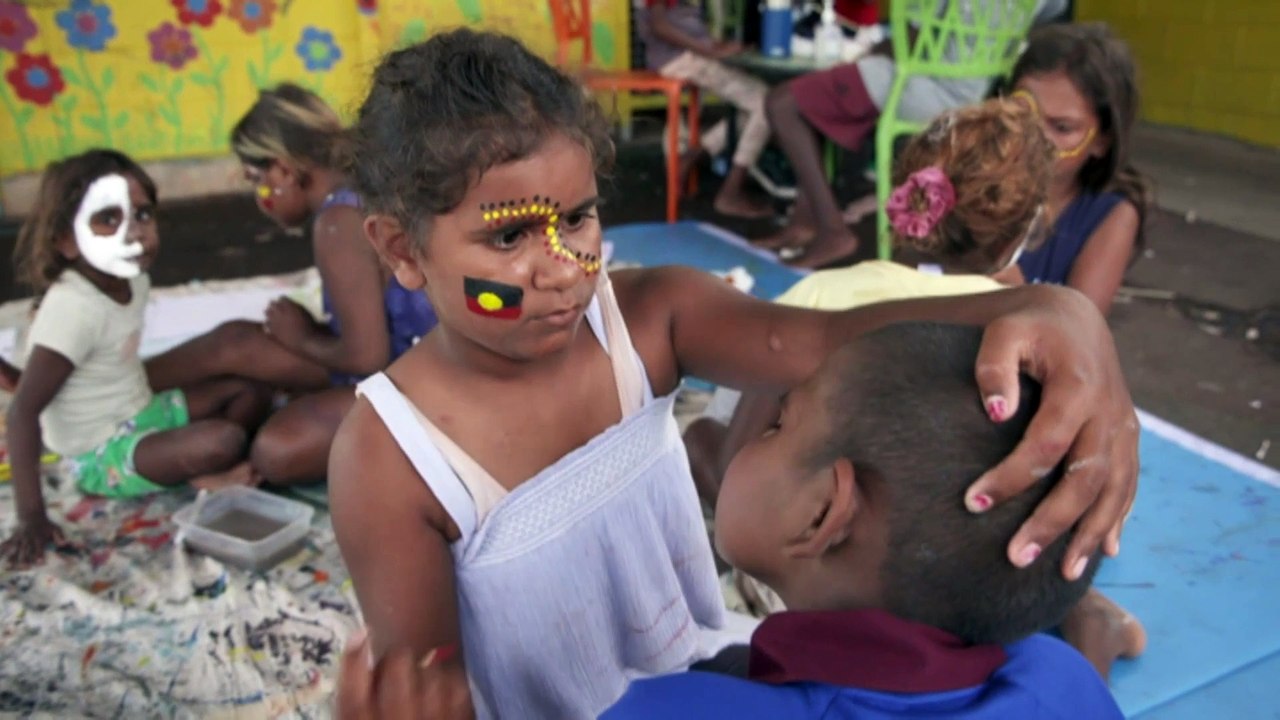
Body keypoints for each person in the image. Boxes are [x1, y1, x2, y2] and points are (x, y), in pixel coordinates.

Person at [327, 30, 1138, 719]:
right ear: (401, 249)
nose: (565, 269)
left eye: (577, 218)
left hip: (719, 686)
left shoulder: (648, 316)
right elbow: (429, 693)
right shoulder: (392, 454)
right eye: (508, 240)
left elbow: (827, 340)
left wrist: (1060, 314)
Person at [689, 98, 1147, 680]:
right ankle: (1085, 619)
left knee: (697, 432)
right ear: (1023, 231)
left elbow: (735, 467)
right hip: (969, 598)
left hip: (824, 587)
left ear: (904, 193)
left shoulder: (818, 298)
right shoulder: (1031, 340)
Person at [604, 323, 1124, 719]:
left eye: (780, 425)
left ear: (822, 514)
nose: (764, 434)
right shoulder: (1063, 682)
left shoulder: (676, 710)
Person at [141, 84, 438, 485]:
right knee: (234, 344)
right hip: (399, 355)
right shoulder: (361, 189)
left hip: (417, 377)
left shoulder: (339, 222)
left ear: (283, 169)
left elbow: (368, 357)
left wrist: (298, 337)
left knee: (278, 450)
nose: (259, 197)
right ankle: (115, 388)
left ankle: (241, 462)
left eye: (256, 180)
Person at [1, 150, 272, 569]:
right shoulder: (74, 308)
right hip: (99, 450)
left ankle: (189, 465)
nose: (134, 232)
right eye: (108, 218)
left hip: (139, 410)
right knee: (224, 440)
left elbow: (53, 379)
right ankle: (199, 473)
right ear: (66, 240)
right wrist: (31, 519)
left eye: (142, 215)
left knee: (248, 391)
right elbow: (22, 413)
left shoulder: (133, 280)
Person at [761, 0, 1067, 268]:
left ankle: (832, 229)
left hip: (922, 85)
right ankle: (804, 220)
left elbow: (909, 37)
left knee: (783, 103)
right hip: (981, 93)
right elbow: (1051, 12)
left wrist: (859, 58)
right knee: (819, 98)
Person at [1003, 22, 1148, 315]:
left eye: (1062, 127)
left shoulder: (1112, 216)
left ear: (1102, 142)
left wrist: (1019, 298)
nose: (1034, 136)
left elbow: (1081, 326)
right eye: (1021, 112)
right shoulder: (976, 179)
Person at [637, 0, 774, 218]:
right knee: (769, 103)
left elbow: (685, 22)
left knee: (761, 103)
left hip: (688, 55)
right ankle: (730, 191)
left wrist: (716, 45)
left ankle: (695, 154)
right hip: (679, 59)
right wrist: (708, 50)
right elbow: (659, 26)